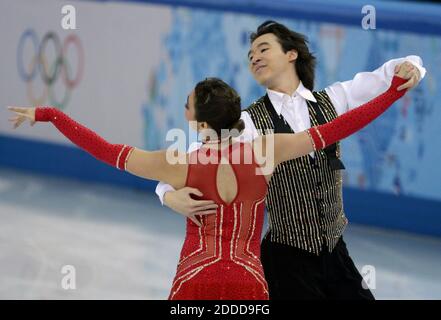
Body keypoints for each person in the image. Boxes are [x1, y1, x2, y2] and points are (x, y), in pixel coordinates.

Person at [8, 66, 409, 299]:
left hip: (194, 277)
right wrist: (392, 93)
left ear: (199, 123)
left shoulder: (177, 162)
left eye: (187, 105)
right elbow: (340, 126)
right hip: (249, 280)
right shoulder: (266, 150)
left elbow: (105, 149)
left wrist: (49, 115)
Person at [155, 21, 426, 299]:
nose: (255, 58)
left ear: (291, 54)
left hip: (335, 252)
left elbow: (385, 76)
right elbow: (188, 164)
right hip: (287, 260)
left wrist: (411, 66)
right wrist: (167, 194)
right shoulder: (247, 124)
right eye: (250, 56)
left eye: (263, 49)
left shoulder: (334, 99)